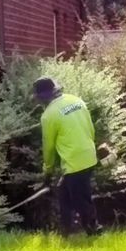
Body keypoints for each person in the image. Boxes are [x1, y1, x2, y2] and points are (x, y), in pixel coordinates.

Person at [36, 73, 101, 234]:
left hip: (74, 161)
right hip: (89, 153)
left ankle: (94, 229)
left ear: (42, 98)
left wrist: (48, 171)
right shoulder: (76, 100)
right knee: (64, 193)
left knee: (80, 199)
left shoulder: (48, 115)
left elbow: (49, 147)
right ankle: (66, 231)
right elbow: (90, 127)